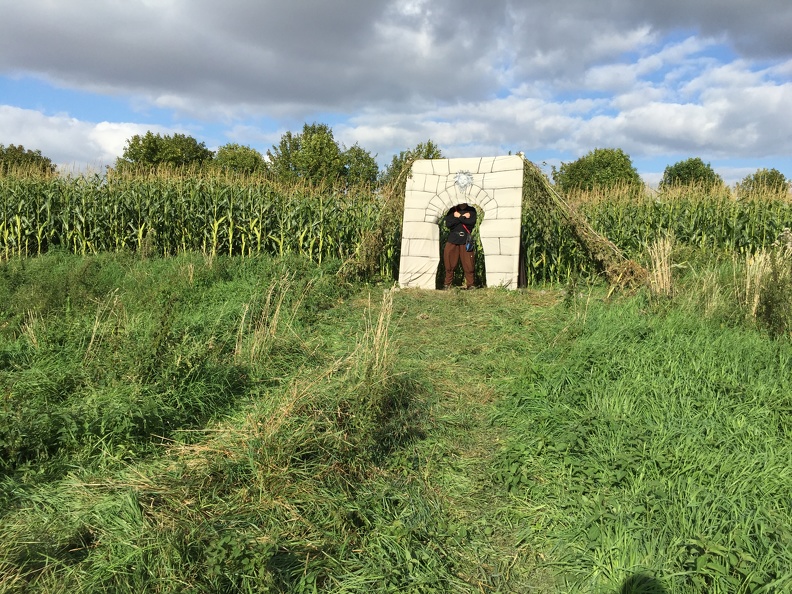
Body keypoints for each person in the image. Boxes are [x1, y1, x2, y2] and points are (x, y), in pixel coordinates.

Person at [442, 202, 477, 289]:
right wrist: (463, 217)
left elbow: (471, 223)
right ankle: (447, 284)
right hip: (453, 239)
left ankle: (471, 284)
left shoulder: (471, 210)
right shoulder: (452, 210)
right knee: (449, 262)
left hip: (466, 240)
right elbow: (449, 224)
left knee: (469, 263)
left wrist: (458, 217)